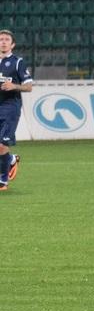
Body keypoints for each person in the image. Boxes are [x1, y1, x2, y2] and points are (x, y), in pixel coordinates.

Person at [0, 30, 32, 191]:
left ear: (12, 45)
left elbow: (29, 87)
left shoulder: (17, 62)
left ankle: (3, 180)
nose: (3, 42)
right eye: (1, 39)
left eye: (7, 39)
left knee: (1, 144)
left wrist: (14, 86)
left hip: (10, 107)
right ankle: (11, 159)